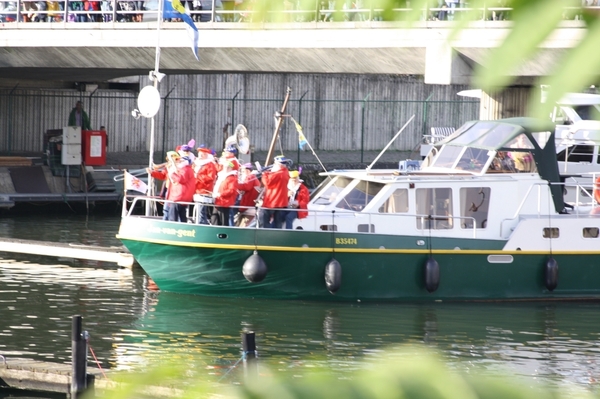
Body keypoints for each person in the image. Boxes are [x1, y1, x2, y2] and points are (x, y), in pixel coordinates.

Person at [257, 155, 291, 228]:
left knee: (263, 218)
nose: (273, 165)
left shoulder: (278, 174)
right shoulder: (285, 172)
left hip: (273, 201)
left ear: (278, 164)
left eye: (275, 163)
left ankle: (265, 235)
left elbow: (267, 183)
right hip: (280, 202)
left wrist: (264, 173)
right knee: (277, 222)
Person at [165, 154, 196, 223]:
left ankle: (172, 230)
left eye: (179, 160)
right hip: (181, 196)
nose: (178, 161)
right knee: (182, 216)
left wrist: (172, 173)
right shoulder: (187, 169)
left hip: (179, 196)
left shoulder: (185, 169)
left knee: (173, 217)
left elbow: (181, 179)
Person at [211, 155, 239, 226]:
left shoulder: (232, 178)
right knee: (214, 219)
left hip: (225, 203)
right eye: (225, 167)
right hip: (218, 201)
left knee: (223, 222)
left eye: (227, 167)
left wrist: (220, 194)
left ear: (231, 168)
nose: (225, 169)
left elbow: (231, 190)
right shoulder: (222, 177)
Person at [193, 146, 217, 224]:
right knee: (199, 211)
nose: (200, 155)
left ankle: (202, 225)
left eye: (202, 154)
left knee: (201, 212)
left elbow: (210, 177)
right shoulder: (196, 163)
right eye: (199, 153)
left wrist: (198, 176)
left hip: (204, 190)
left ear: (206, 155)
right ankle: (201, 223)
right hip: (197, 190)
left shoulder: (210, 165)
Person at [235, 162, 261, 227]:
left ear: (247, 170)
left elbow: (246, 187)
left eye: (243, 171)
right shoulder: (252, 177)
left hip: (248, 203)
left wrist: (235, 185)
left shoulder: (250, 177)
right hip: (248, 202)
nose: (242, 173)